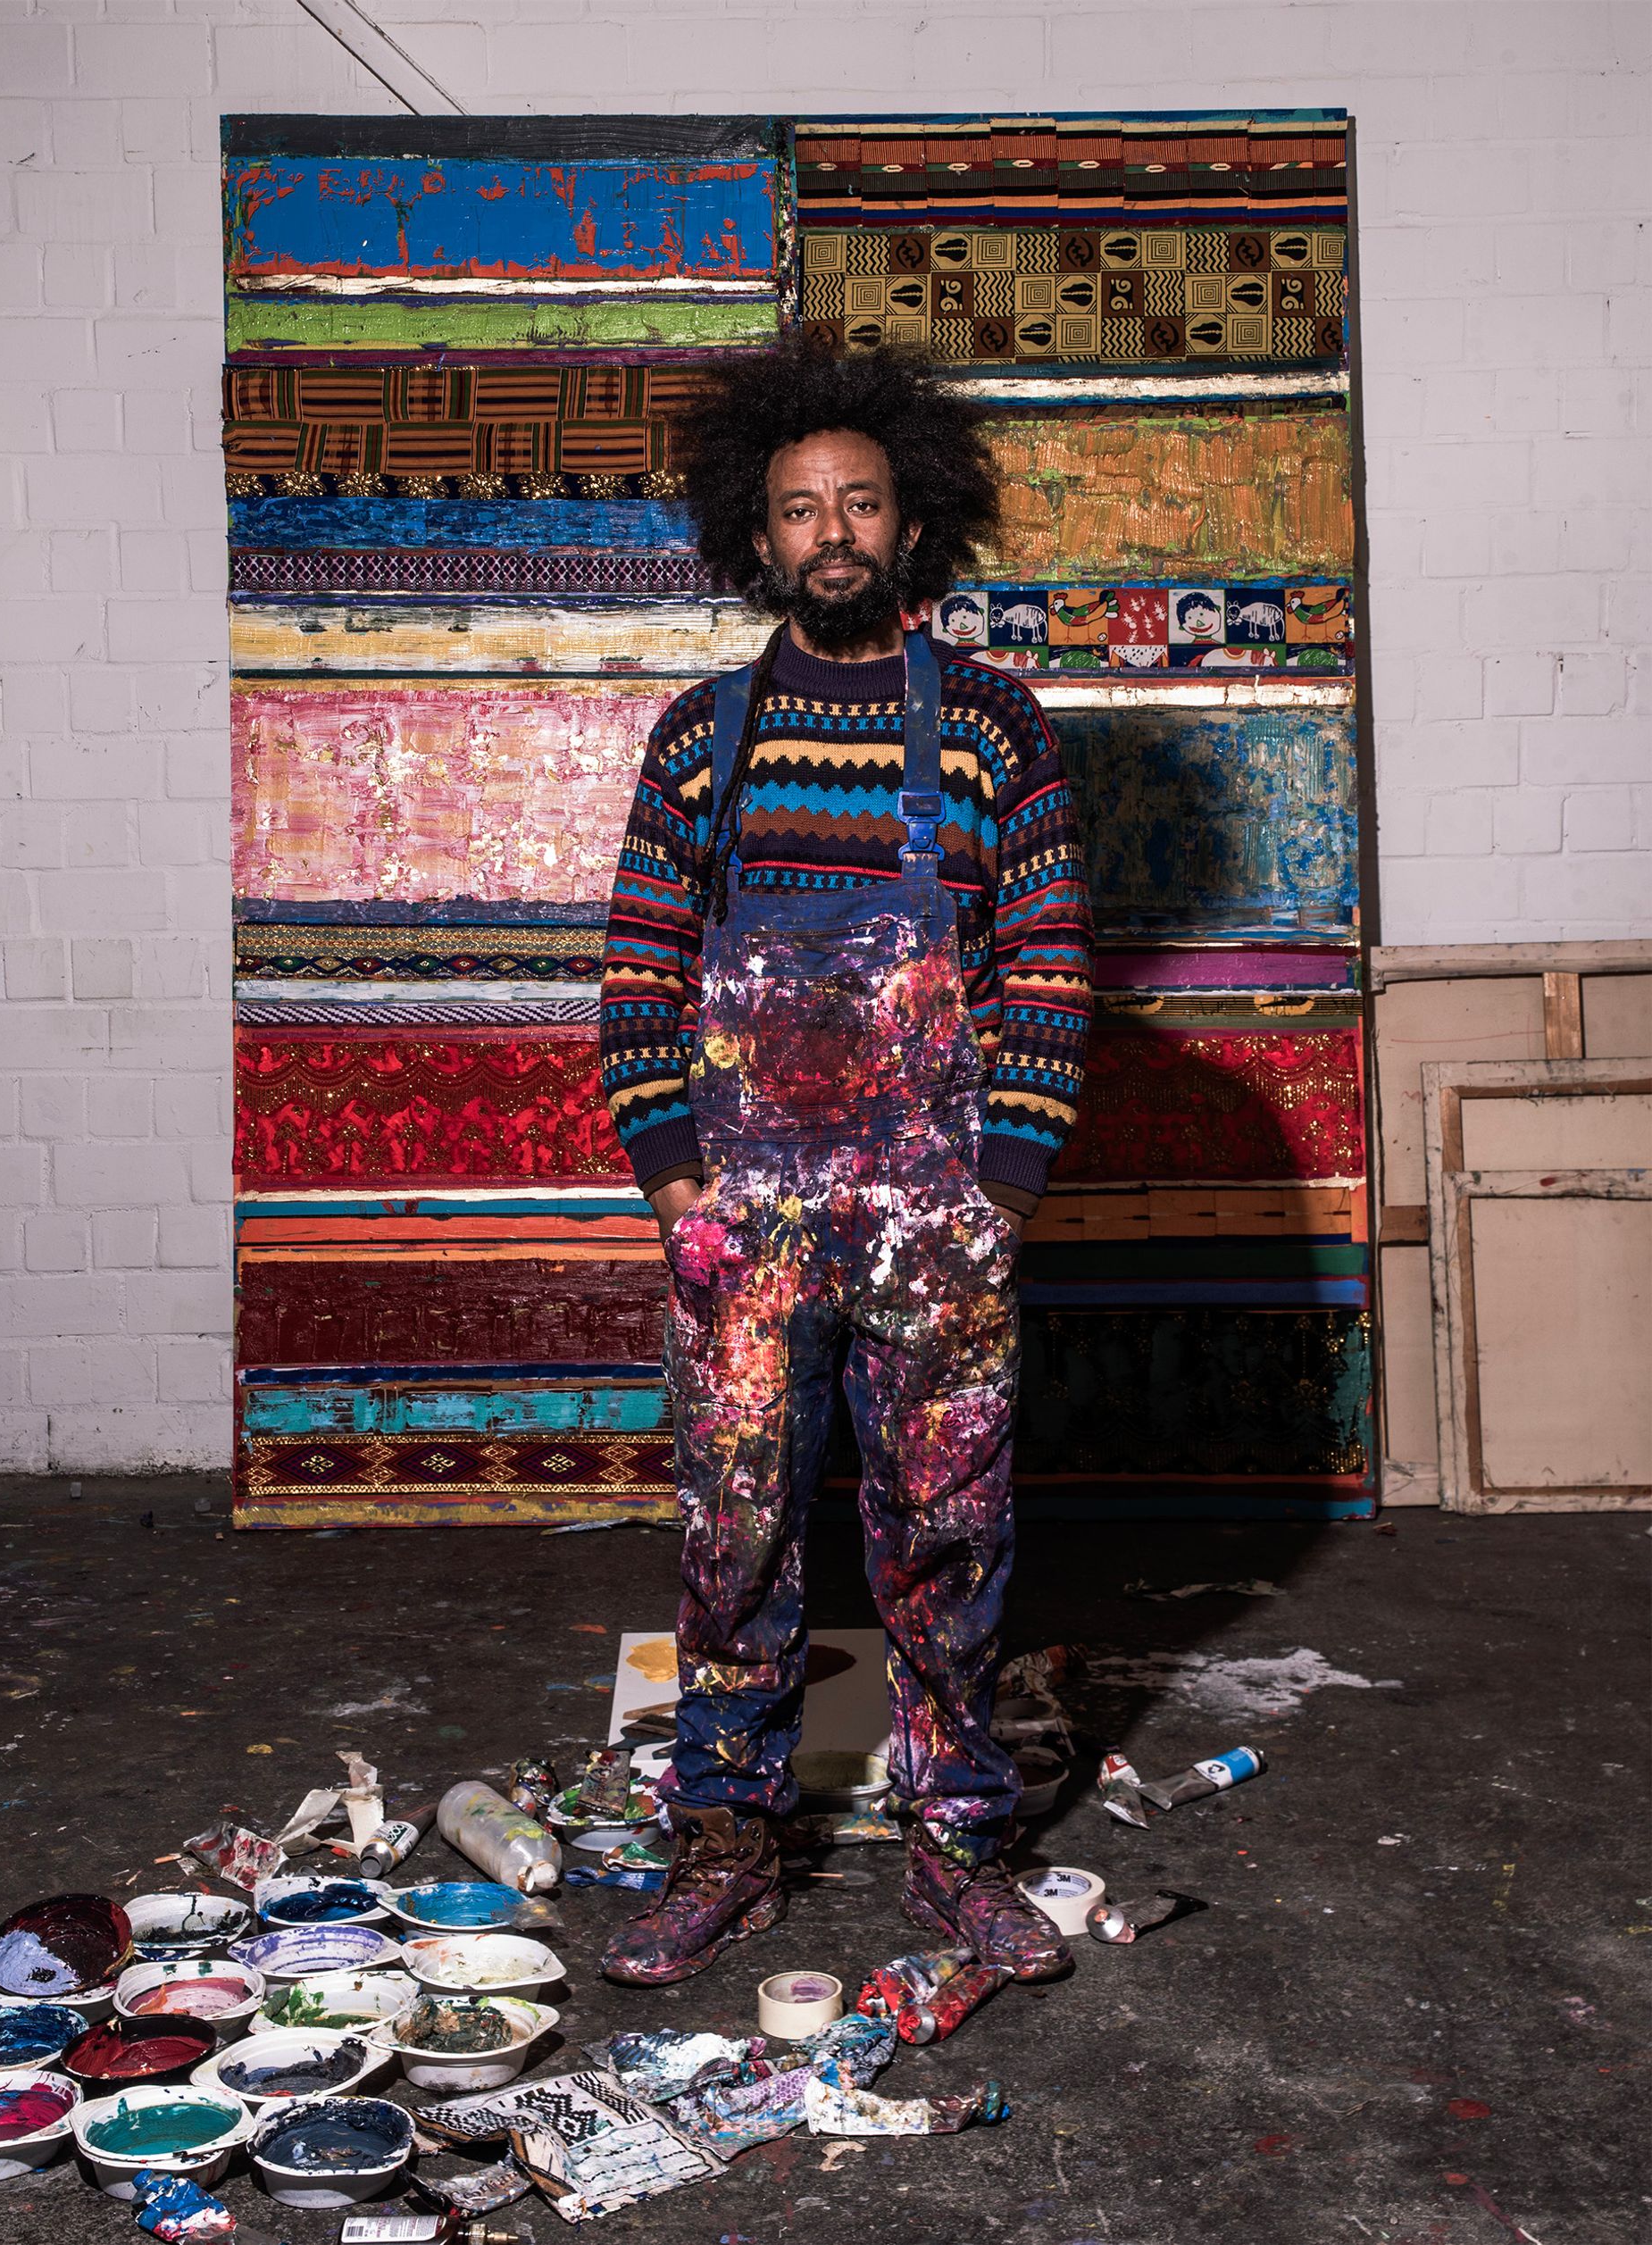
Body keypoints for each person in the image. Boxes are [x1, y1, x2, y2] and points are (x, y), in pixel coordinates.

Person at [597, 338, 1093, 1988]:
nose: (833, 532)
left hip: (935, 1218)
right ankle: (728, 1845)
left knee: (948, 1538)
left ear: (911, 521)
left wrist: (999, 1196)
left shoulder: (994, 727)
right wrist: (679, 1188)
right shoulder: (703, 738)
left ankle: (960, 1847)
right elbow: (638, 971)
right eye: (802, 508)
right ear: (760, 533)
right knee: (733, 1539)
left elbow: (1050, 972)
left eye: (860, 503)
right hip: (743, 1222)